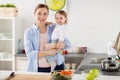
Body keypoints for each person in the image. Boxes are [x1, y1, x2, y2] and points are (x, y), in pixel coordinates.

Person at [24, 4, 71, 72]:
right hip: (39, 68)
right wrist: (48, 52)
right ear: (34, 14)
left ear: (48, 15)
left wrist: (55, 45)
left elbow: (68, 44)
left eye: (45, 14)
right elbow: (29, 54)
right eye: (39, 13)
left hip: (57, 66)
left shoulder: (53, 28)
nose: (42, 16)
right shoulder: (29, 32)